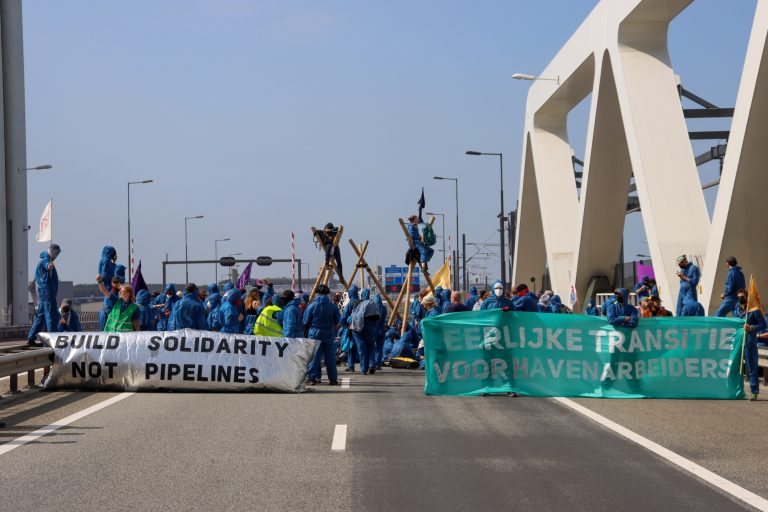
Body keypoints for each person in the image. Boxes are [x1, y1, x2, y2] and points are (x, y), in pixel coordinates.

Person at [304, 284, 341, 385]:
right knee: (330, 357)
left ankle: (312, 378)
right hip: (329, 333)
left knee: (314, 357)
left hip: (315, 332)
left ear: (317, 293)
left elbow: (306, 321)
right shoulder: (333, 307)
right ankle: (333, 379)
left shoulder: (312, 306)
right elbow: (338, 321)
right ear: (327, 294)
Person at [28, 244, 62, 345]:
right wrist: (49, 265)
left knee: (41, 316)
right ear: (51, 252)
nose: (56, 255)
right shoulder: (46, 260)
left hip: (44, 294)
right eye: (56, 253)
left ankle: (31, 337)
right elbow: (48, 265)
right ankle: (52, 339)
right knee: (51, 316)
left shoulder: (44, 260)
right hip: (48, 293)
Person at [736, 289, 766, 400]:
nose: (740, 299)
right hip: (738, 342)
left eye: (742, 296)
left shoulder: (754, 310)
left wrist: (751, 328)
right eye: (738, 297)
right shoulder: (737, 309)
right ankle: (737, 390)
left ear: (747, 297)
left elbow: (763, 325)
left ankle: (754, 392)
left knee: (752, 368)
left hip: (749, 342)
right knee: (736, 367)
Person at [351, 288, 380, 375]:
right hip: (371, 328)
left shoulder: (358, 304)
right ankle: (372, 365)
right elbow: (378, 318)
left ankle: (364, 369)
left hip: (359, 329)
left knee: (361, 348)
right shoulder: (373, 304)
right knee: (371, 347)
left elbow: (355, 316)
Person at [341, 285, 361, 372]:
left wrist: (344, 325)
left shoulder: (350, 304)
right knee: (361, 347)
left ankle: (351, 365)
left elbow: (344, 317)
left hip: (351, 327)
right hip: (361, 326)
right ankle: (365, 367)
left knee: (351, 346)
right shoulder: (362, 302)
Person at [373, 294, 388, 370]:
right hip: (382, 329)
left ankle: (373, 363)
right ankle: (378, 364)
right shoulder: (384, 308)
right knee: (379, 347)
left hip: (374, 328)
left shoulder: (373, 307)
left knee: (372, 347)